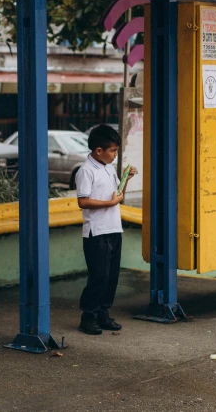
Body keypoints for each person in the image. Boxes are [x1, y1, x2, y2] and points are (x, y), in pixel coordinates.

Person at [75, 125, 137, 335]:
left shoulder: (108, 168)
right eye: (113, 151)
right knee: (98, 276)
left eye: (116, 151)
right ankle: (88, 316)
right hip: (96, 232)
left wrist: (126, 179)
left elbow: (116, 195)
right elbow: (83, 202)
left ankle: (103, 313)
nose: (115, 155)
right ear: (99, 150)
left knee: (111, 276)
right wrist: (110, 204)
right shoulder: (86, 171)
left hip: (113, 228)